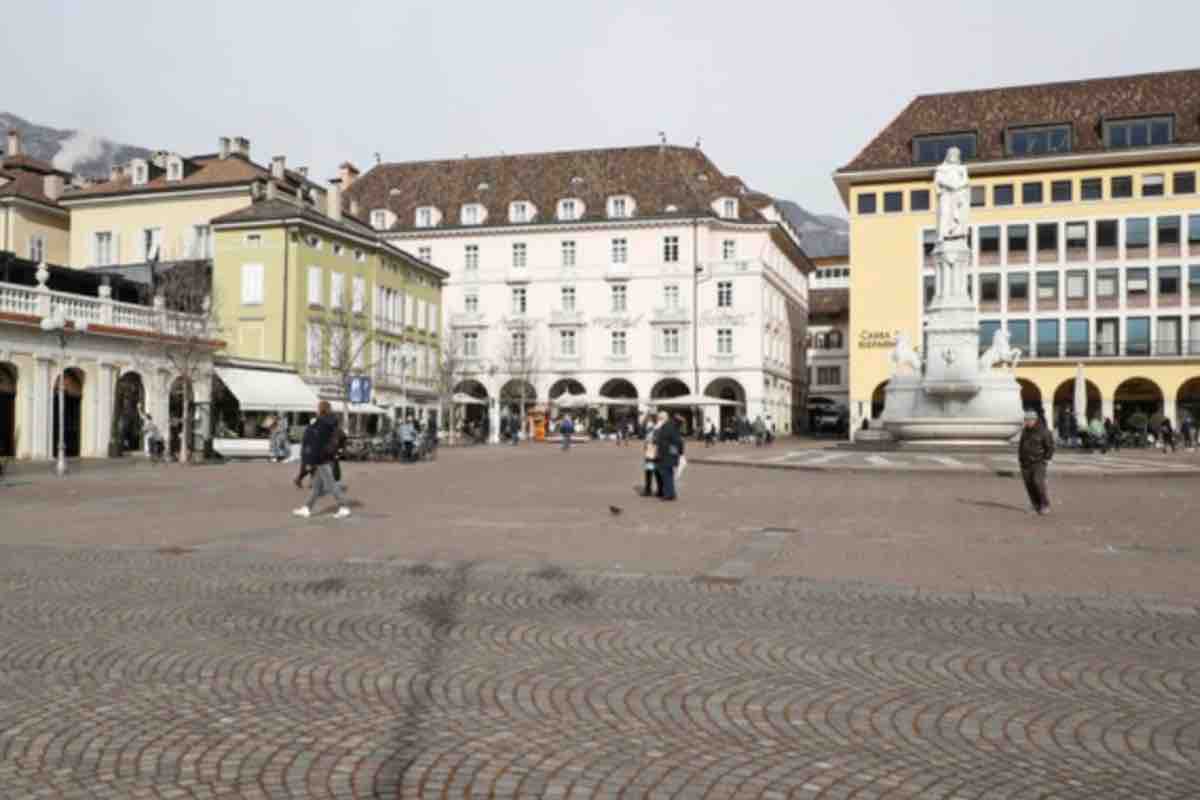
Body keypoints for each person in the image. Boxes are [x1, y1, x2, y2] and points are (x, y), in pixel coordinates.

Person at [293, 401, 352, 519]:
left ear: (320, 410)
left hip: (320, 459)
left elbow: (316, 443)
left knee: (331, 485)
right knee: (316, 487)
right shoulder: (331, 423)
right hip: (326, 457)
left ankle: (343, 506)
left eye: (318, 408)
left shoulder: (320, 423)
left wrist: (310, 461)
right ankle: (307, 508)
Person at [1018, 409, 1055, 516]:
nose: (1027, 422)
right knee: (1029, 485)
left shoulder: (1044, 431)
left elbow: (1050, 447)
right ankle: (1035, 505)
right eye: (1026, 420)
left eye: (1029, 420)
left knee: (1038, 483)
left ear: (1035, 420)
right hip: (1025, 463)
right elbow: (1021, 445)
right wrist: (1020, 459)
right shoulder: (1025, 431)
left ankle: (1045, 505)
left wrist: (1046, 459)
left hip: (1038, 462)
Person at [653, 411, 684, 501]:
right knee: (668, 475)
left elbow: (677, 441)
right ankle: (671, 494)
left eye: (659, 418)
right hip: (666, 454)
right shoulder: (666, 426)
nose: (658, 420)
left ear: (664, 418)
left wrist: (678, 453)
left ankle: (668, 494)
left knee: (666, 475)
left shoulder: (668, 426)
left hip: (667, 454)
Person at [638, 413, 661, 498]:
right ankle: (656, 489)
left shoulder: (655, 427)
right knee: (653, 470)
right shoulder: (654, 426)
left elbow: (644, 432)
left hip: (652, 450)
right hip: (652, 450)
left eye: (649, 419)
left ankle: (650, 490)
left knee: (651, 470)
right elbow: (642, 430)